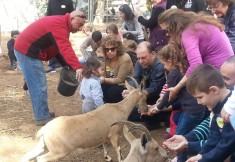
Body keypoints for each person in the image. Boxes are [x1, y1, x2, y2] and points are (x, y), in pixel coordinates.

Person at [14, 10, 86, 126]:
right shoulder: (60, 26)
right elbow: (65, 49)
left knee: (37, 82)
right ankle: (42, 117)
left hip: (27, 49)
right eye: (79, 25)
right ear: (72, 19)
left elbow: (57, 50)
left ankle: (42, 110)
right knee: (38, 84)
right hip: (26, 51)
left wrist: (67, 65)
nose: (80, 28)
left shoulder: (61, 23)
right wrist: (77, 67)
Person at [158, 9, 234, 101]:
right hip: (227, 69)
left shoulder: (188, 32)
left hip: (220, 76)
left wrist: (177, 87)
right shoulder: (197, 24)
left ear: (175, 25)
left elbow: (195, 65)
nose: (167, 33)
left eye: (167, 30)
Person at [164, 64, 235, 162]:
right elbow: (214, 138)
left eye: (200, 97)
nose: (198, 102)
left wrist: (204, 159)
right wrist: (201, 155)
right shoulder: (217, 107)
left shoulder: (231, 110)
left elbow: (227, 145)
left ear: (214, 90)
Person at [149, 42, 205, 162]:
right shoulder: (183, 70)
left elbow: (169, 94)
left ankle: (181, 159)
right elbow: (174, 95)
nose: (164, 67)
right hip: (197, 108)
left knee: (179, 135)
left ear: (169, 61)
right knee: (189, 133)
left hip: (191, 110)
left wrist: (158, 107)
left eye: (164, 64)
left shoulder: (174, 73)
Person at [125, 41, 169, 130]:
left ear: (153, 54)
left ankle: (155, 121)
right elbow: (135, 79)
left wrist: (138, 93)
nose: (141, 61)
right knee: (128, 113)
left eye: (144, 58)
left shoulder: (160, 66)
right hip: (145, 94)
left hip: (158, 97)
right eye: (139, 58)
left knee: (141, 105)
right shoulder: (139, 63)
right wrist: (130, 91)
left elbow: (156, 89)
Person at [101, 35, 133, 103]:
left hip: (125, 84)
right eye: (107, 49)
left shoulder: (125, 58)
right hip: (112, 82)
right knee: (101, 87)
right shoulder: (106, 58)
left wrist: (103, 79)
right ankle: (107, 107)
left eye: (112, 49)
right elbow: (105, 74)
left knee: (113, 91)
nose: (109, 51)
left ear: (117, 48)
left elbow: (120, 80)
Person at [45, 0, 75, 73]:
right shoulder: (51, 1)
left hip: (64, 28)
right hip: (52, 27)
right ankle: (52, 65)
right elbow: (48, 14)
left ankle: (63, 65)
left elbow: (73, 15)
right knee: (52, 45)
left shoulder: (69, 1)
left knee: (63, 46)